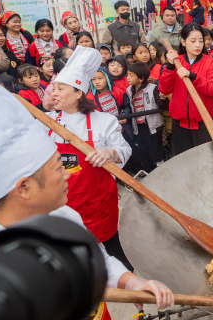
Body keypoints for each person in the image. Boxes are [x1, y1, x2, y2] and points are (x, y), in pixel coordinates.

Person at [0, 81, 176, 317]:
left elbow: (98, 260)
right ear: (24, 187)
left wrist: (132, 283)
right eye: (59, 169)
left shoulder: (65, 216)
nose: (68, 173)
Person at [44, 47, 134, 272]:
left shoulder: (103, 121)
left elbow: (124, 150)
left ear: (78, 93)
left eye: (61, 88)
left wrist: (109, 153)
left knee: (116, 249)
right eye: (54, 87)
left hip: (97, 203)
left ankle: (131, 288)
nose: (54, 92)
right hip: (61, 205)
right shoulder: (45, 122)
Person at [159, 23, 213, 155]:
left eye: (201, 41)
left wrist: (194, 77)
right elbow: (164, 90)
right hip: (180, 126)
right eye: (193, 41)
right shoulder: (177, 62)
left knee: (207, 162)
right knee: (185, 164)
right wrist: (170, 67)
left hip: (205, 124)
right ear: (183, 42)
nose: (198, 45)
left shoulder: (210, 62)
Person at [123, 62, 167, 172]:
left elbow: (161, 105)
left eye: (131, 75)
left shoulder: (153, 88)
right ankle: (149, 171)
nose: (128, 78)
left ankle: (161, 171)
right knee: (141, 149)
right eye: (127, 75)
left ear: (141, 78)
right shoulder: (129, 90)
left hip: (152, 126)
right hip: (137, 127)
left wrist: (163, 99)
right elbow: (128, 106)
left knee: (155, 150)